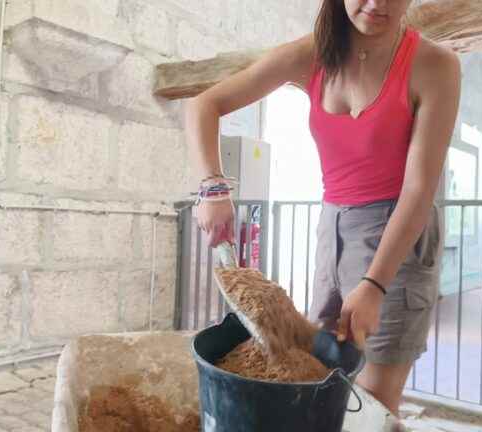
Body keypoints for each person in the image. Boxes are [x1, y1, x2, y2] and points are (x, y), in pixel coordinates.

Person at [185, 0, 460, 418]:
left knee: (373, 403)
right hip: (330, 224)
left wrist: (376, 284)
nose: (378, 3)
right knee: (319, 378)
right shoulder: (314, 52)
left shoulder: (435, 66)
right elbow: (204, 104)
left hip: (396, 233)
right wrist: (213, 188)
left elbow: (419, 190)